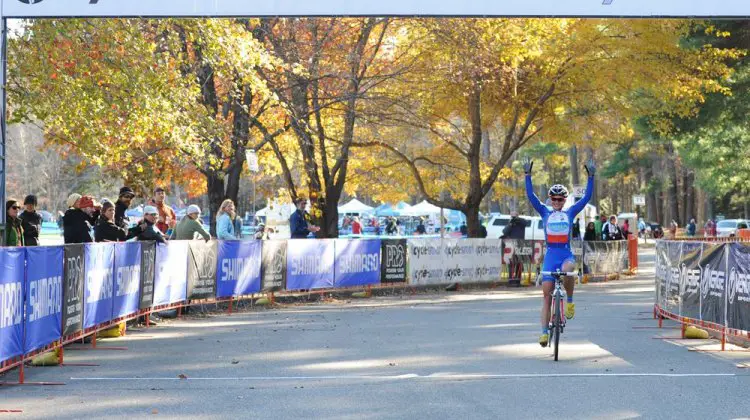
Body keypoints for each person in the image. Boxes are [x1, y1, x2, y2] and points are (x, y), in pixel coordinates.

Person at [524, 156, 595, 348]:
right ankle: (544, 332)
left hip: (564, 254)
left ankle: (570, 300)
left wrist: (591, 178)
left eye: (560, 199)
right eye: (553, 199)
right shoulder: (545, 211)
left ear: (564, 200)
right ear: (550, 199)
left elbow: (587, 198)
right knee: (546, 295)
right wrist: (527, 175)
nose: (556, 201)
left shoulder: (570, 212)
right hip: (550, 256)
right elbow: (531, 197)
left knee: (570, 268)